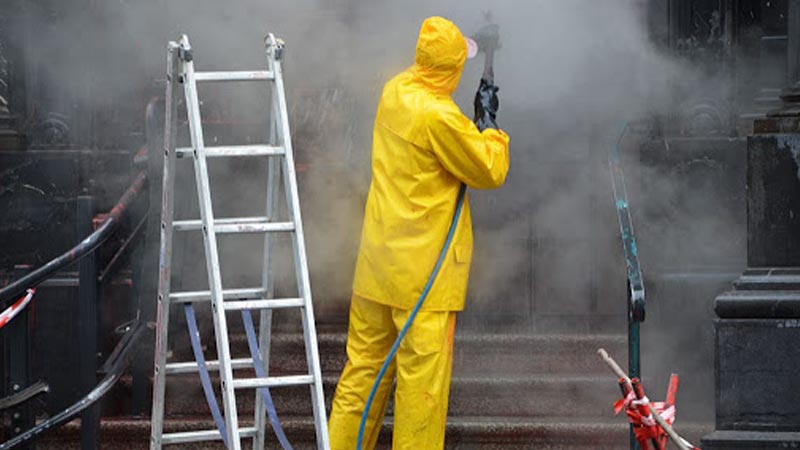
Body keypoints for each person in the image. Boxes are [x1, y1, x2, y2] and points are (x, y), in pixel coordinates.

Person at [328, 15, 510, 450]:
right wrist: (491, 129)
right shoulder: (439, 116)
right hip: (423, 281)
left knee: (361, 375)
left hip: (377, 268)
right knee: (420, 393)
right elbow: (489, 170)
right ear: (450, 70)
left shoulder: (394, 91)